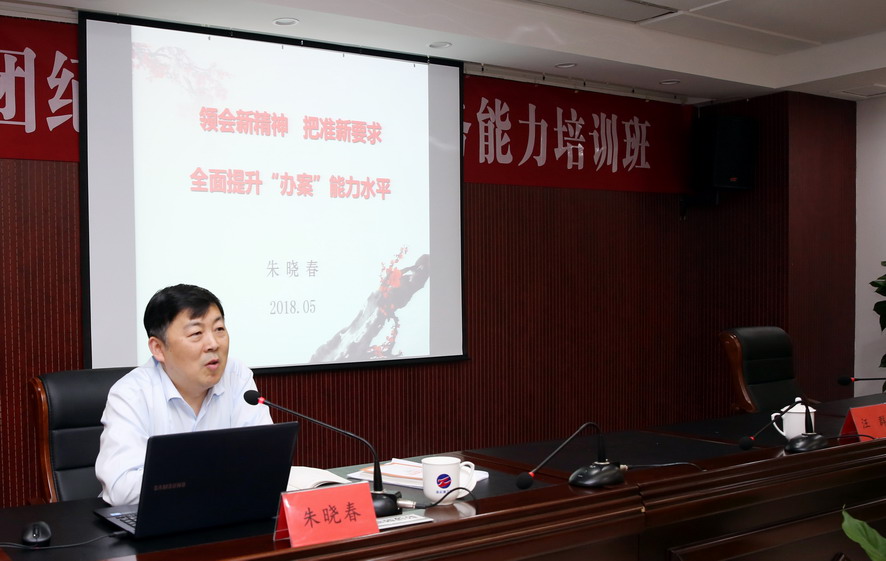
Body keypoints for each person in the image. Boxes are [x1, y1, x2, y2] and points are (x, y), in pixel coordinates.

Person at [95, 284, 272, 505]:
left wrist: (184, 478)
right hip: (157, 519)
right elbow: (122, 490)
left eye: (219, 329)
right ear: (158, 348)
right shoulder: (130, 394)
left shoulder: (236, 376)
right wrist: (216, 473)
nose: (213, 344)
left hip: (224, 513)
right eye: (196, 333)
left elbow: (266, 461)